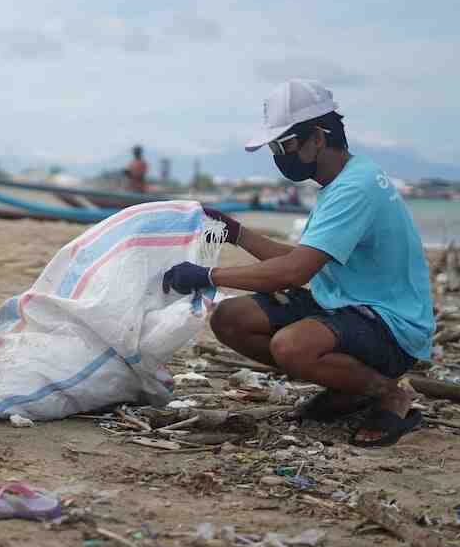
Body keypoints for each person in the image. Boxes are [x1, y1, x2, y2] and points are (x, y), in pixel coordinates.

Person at [162, 79, 434, 447]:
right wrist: (235, 233)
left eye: (284, 145)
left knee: (292, 346)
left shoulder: (355, 187)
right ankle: (348, 387)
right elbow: (300, 260)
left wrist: (209, 275)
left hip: (390, 325)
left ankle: (389, 394)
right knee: (230, 319)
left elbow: (293, 273)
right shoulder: (344, 180)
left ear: (318, 138)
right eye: (274, 147)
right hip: (344, 304)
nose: (278, 156)